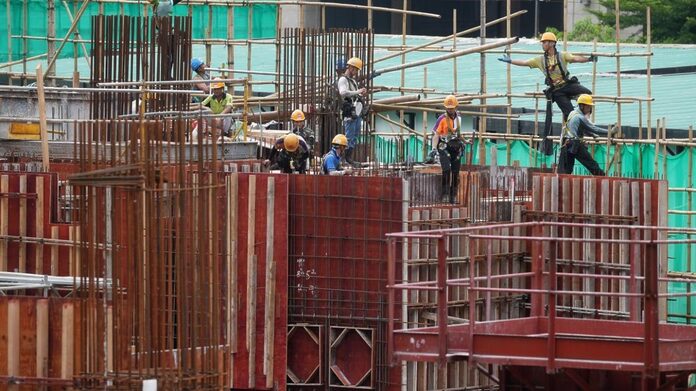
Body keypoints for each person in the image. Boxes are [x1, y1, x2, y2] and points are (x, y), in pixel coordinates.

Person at [499, 31, 597, 153]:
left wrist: (588, 59)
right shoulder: (540, 60)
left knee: (587, 94)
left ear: (552, 43)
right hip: (557, 91)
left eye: (545, 42)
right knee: (570, 114)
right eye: (543, 42)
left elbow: (575, 58)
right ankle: (580, 136)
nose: (543, 44)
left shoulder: (562, 55)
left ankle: (587, 121)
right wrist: (510, 61)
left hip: (568, 84)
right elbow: (525, 63)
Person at [430, 95, 471, 204]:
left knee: (455, 172)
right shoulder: (442, 118)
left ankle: (453, 195)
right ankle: (445, 195)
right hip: (444, 147)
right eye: (448, 108)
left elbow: (457, 133)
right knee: (446, 169)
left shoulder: (459, 118)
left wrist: (465, 141)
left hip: (456, 147)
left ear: (456, 107)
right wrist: (434, 148)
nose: (450, 110)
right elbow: (436, 134)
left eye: (452, 108)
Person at [559, 94, 612, 176]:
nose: (590, 109)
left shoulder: (572, 113)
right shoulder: (580, 117)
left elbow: (582, 128)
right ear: (582, 106)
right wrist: (610, 132)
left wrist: (592, 135)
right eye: (588, 106)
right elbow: (593, 128)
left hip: (566, 143)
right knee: (591, 164)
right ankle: (602, 178)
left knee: (567, 169)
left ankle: (563, 185)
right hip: (574, 143)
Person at [337, 57, 368, 167]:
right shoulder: (343, 80)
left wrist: (360, 93)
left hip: (356, 112)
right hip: (349, 111)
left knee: (355, 136)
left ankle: (349, 158)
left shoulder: (353, 81)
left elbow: (354, 94)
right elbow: (343, 92)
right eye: (355, 70)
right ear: (350, 67)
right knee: (349, 136)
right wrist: (358, 91)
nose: (356, 72)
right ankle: (343, 159)